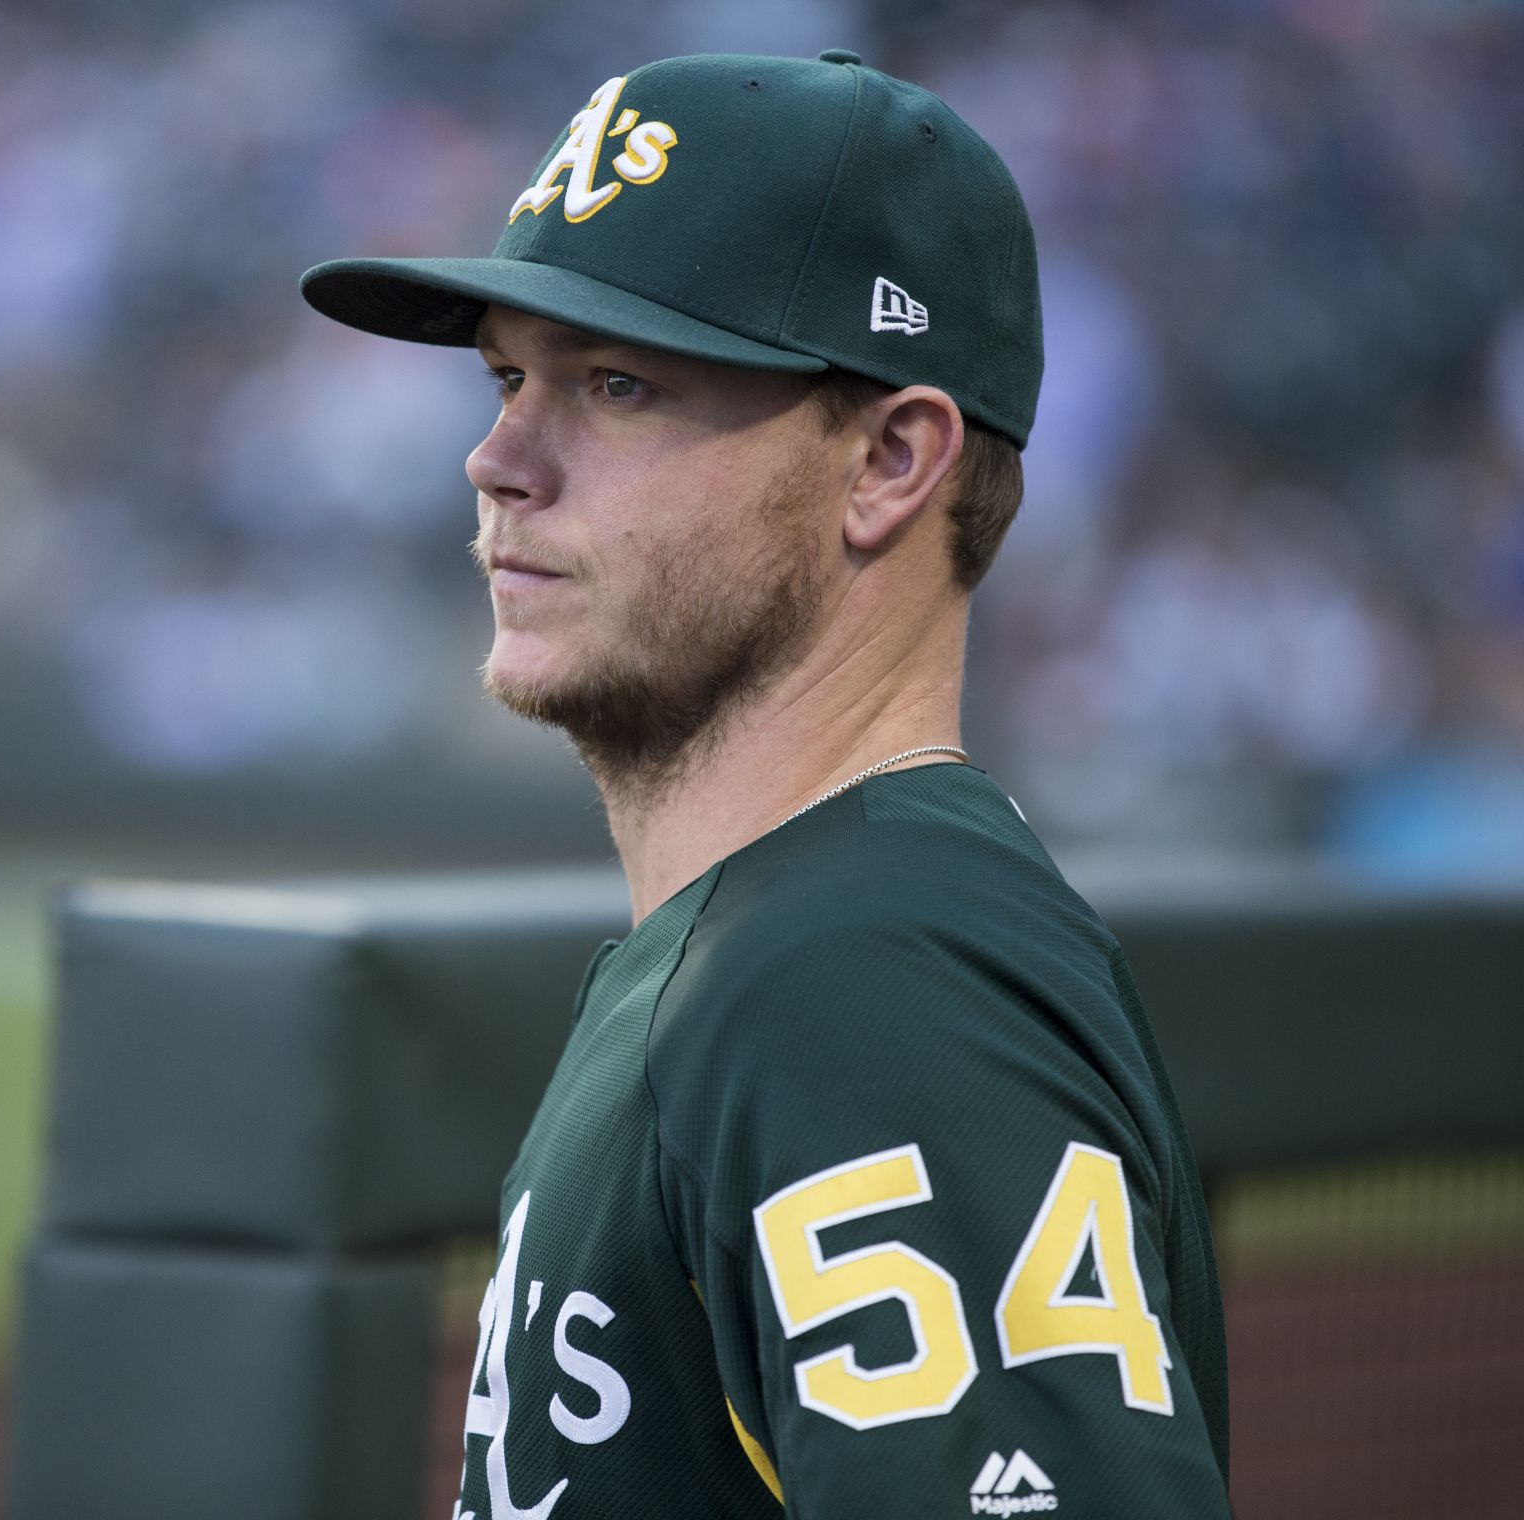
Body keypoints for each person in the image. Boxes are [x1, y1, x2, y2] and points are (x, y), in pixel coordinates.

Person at [301, 48, 1230, 1519]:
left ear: (890, 462)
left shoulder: (871, 986)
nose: (497, 459)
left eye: (615, 383)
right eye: (506, 377)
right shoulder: (792, 941)